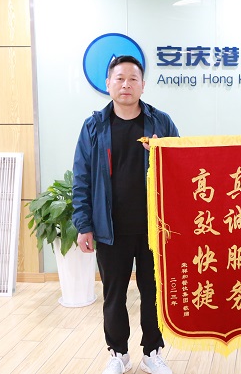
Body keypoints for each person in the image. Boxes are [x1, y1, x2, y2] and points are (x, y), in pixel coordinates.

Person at [72, 55, 179, 374]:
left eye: (133, 79)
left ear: (143, 85)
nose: (126, 84)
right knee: (114, 295)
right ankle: (118, 353)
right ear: (108, 84)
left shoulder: (160, 122)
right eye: (119, 78)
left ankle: (152, 352)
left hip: (154, 228)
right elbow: (81, 177)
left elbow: (183, 167)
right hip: (110, 229)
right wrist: (84, 224)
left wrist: (163, 154)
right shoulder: (93, 126)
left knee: (154, 293)